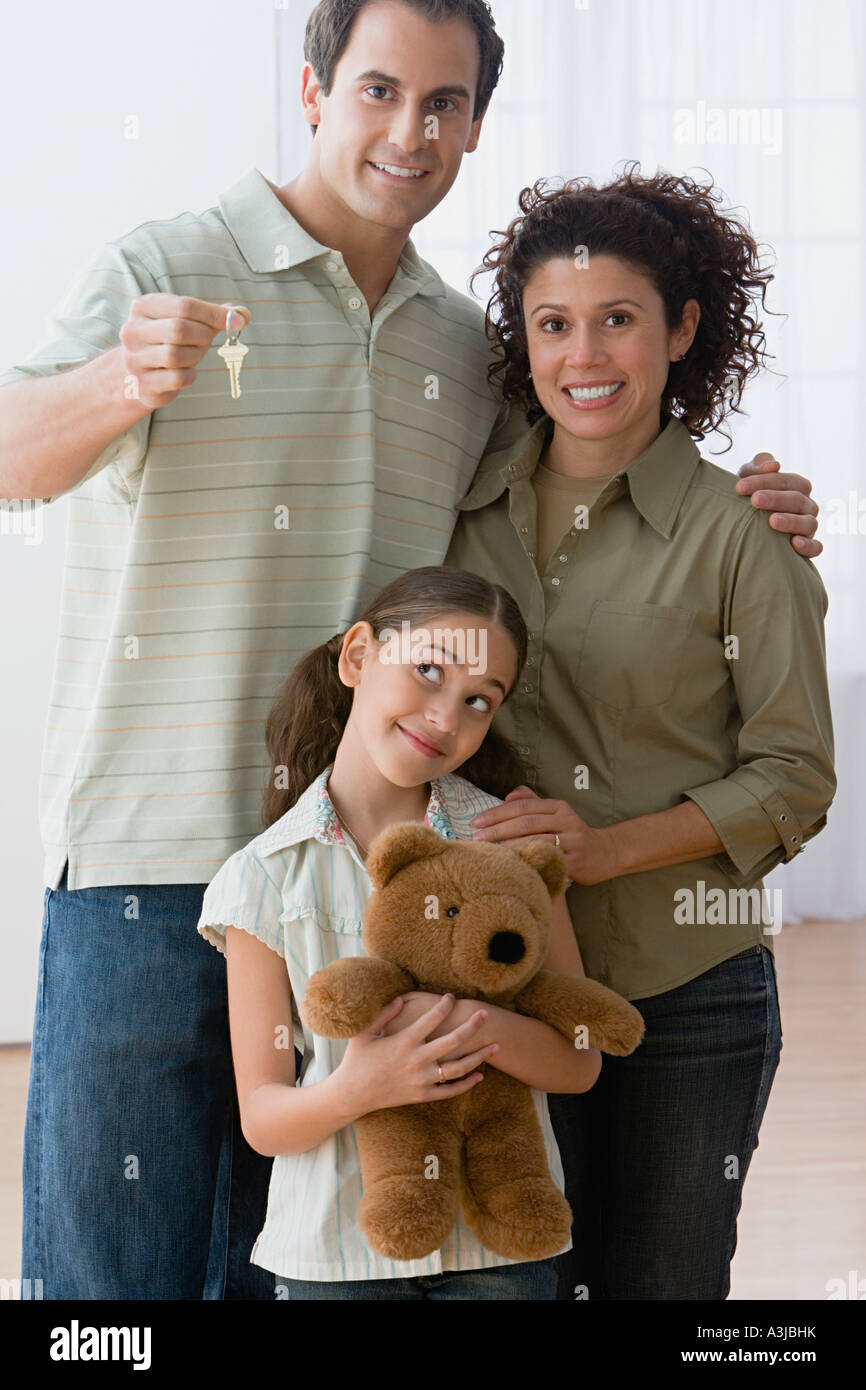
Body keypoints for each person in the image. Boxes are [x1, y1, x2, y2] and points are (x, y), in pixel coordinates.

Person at [0, 0, 821, 1299]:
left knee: (301, 1262)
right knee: (114, 1293)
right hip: (145, 867)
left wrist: (747, 502)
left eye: (442, 104)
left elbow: (584, 457)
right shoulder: (166, 261)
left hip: (351, 880)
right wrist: (118, 380)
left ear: (474, 125)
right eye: (379, 90)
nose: (409, 129)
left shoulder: (459, 342)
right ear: (317, 90)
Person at [439, 165, 837, 1299]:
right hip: (500, 985)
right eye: (551, 324)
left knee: (660, 1292)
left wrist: (602, 848)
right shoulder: (457, 510)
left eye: (617, 320)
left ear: (682, 327)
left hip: (684, 987)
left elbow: (794, 777)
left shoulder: (743, 536)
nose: (583, 357)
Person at [196, 564, 600, 1299]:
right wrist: (361, 1085)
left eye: (478, 700)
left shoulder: (509, 844)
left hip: (497, 1258)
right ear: (358, 656)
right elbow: (265, 1118)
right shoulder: (264, 876)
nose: (447, 718)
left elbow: (579, 1062)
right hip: (331, 1260)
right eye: (426, 671)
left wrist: (463, 1029)